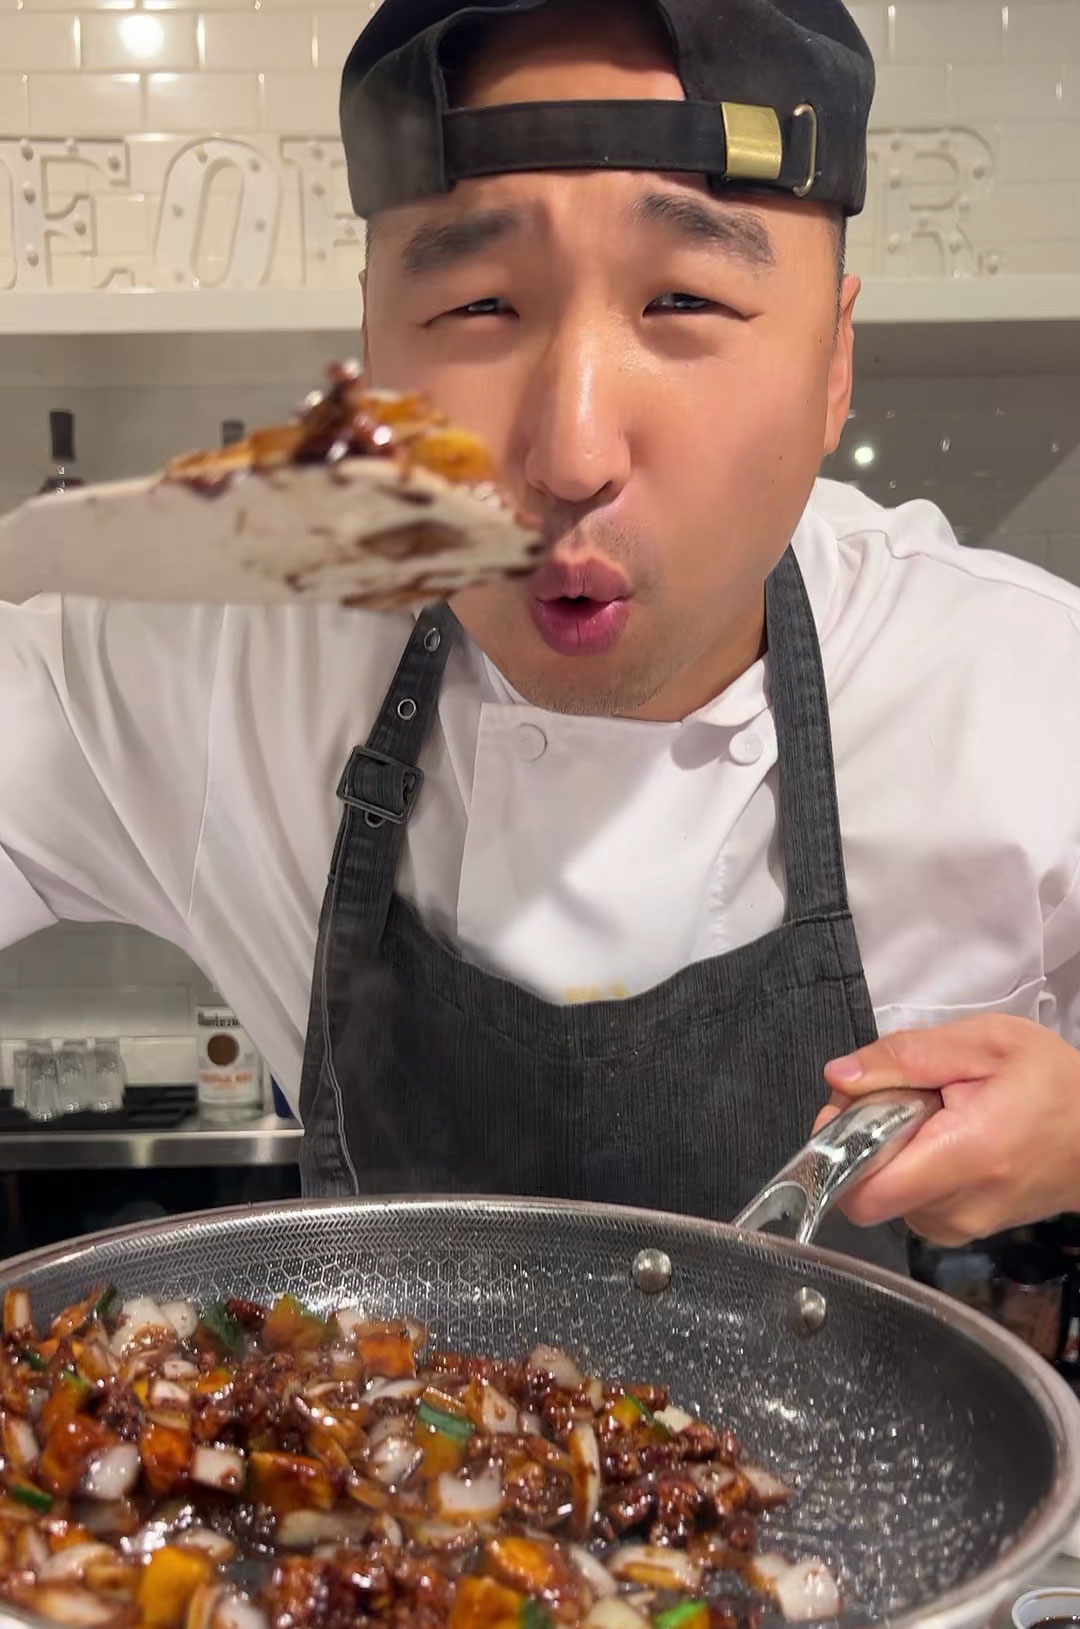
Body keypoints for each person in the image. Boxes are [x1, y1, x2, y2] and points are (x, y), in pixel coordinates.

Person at [1, 0, 1080, 1257]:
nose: (569, 452)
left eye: (681, 299)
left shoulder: (1024, 696)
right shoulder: (225, 665)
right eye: (476, 307)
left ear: (835, 363)